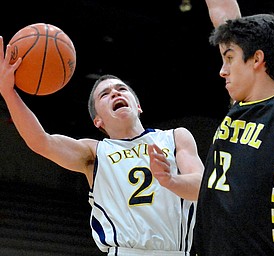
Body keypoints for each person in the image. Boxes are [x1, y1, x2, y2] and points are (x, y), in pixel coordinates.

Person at [0, 46, 204, 255]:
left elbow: (202, 187)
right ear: (98, 120)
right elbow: (41, 141)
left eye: (121, 89)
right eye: (104, 95)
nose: (115, 92)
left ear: (138, 105)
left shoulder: (175, 136)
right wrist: (8, 93)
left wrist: (171, 180)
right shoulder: (94, 152)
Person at [194, 0, 274, 255]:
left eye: (229, 58)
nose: (222, 70)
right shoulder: (239, 105)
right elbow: (221, 10)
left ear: (257, 59)